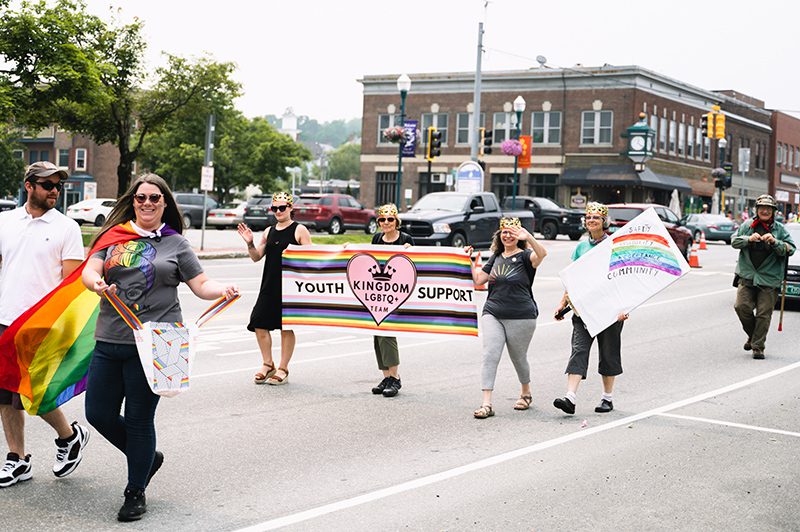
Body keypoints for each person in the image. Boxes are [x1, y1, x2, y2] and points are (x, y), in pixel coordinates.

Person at [81, 174, 238, 521]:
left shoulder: (176, 243)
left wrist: (222, 288)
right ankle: (147, 459)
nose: (147, 203)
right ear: (132, 201)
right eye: (141, 198)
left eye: (155, 198)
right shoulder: (112, 236)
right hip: (111, 338)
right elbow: (89, 271)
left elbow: (200, 284)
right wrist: (96, 284)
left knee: (139, 420)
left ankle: (135, 490)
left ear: (165, 202)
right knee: (98, 413)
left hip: (160, 342)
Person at [0, 161, 90, 488]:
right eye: (47, 185)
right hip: (4, 321)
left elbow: (70, 284)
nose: (54, 191)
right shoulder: (5, 222)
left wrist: (62, 328)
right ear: (29, 186)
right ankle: (17, 459)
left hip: (41, 325)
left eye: (58, 186)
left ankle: (68, 437)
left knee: (33, 395)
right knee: (4, 396)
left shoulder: (67, 227)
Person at [553, 202, 629, 415]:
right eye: (588, 217)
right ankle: (570, 397)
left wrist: (625, 308)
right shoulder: (581, 247)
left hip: (610, 310)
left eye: (596, 217)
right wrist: (563, 303)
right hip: (583, 310)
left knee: (608, 353)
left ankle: (607, 398)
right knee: (578, 350)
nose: (591, 221)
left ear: (604, 222)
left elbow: (626, 280)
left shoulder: (614, 246)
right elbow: (573, 280)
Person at [469, 217, 547, 419]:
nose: (507, 235)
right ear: (499, 235)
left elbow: (543, 254)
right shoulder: (495, 257)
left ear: (518, 236)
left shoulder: (526, 256)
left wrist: (528, 236)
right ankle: (486, 404)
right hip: (493, 312)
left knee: (518, 358)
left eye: (512, 232)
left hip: (521, 315)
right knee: (490, 355)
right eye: (504, 231)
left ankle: (526, 393)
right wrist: (467, 261)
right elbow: (479, 279)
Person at [238, 192, 312, 385]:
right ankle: (267, 364)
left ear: (290, 208)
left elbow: (312, 258)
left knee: (285, 327)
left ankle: (283, 367)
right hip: (269, 285)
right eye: (275, 208)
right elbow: (256, 256)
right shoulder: (269, 231)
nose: (278, 211)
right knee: (258, 323)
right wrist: (249, 243)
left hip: (290, 287)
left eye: (282, 208)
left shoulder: (300, 230)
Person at [731, 194, 795, 359]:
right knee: (741, 307)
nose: (765, 211)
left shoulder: (779, 229)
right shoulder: (747, 226)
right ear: (757, 210)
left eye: (769, 209)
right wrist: (748, 239)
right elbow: (734, 241)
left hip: (769, 279)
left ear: (773, 211)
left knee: (763, 314)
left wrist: (775, 242)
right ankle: (753, 337)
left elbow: (790, 249)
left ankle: (758, 347)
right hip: (747, 276)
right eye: (762, 208)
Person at [369, 204, 414, 398]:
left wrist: (410, 251)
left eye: (390, 219)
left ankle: (395, 378)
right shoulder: (377, 238)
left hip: (397, 294)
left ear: (397, 222)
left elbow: (415, 265)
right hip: (378, 294)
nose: (386, 223)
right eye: (382, 219)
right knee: (377, 335)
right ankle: (386, 376)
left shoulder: (405, 239)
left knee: (388, 333)